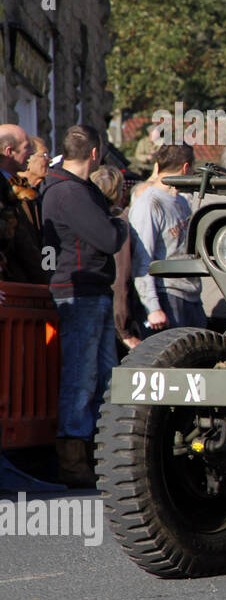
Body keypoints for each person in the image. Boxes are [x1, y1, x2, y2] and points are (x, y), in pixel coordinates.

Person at [40, 125, 128, 488]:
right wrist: (120, 222)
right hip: (80, 292)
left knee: (105, 375)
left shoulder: (74, 189)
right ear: (95, 153)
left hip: (91, 289)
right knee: (82, 376)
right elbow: (107, 237)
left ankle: (99, 452)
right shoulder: (70, 193)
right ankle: (73, 458)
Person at [129, 142, 205, 334]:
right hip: (168, 297)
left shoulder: (181, 201)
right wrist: (153, 308)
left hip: (192, 297)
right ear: (186, 167)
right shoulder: (149, 204)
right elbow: (141, 258)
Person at [91, 165, 144, 351]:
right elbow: (121, 280)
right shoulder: (118, 224)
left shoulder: (86, 218)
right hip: (112, 316)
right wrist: (124, 330)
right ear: (118, 192)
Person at [0, 124, 47, 284]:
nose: (32, 153)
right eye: (27, 147)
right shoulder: (6, 189)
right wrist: (46, 279)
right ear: (9, 151)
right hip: (13, 284)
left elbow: (44, 240)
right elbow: (21, 242)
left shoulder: (28, 190)